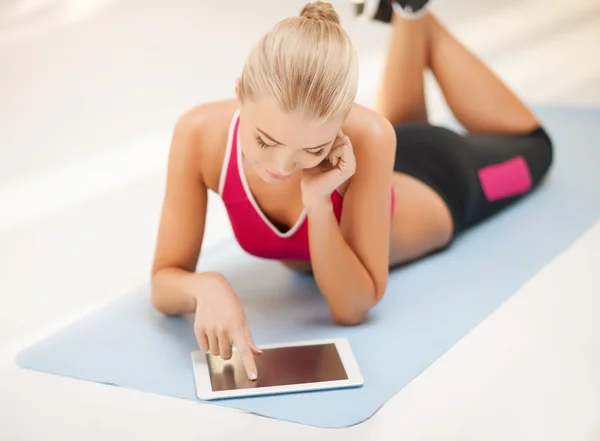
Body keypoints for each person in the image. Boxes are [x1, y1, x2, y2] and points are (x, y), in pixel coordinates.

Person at [150, 0, 553, 380]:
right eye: (265, 141)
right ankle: (411, 15)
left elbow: (351, 307)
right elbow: (164, 281)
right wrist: (205, 286)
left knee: (536, 148)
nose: (281, 166)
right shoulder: (199, 134)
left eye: (312, 150)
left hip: (444, 178)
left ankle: (418, 19)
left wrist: (319, 204)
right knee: (400, 128)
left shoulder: (371, 135)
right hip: (384, 160)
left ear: (344, 121)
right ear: (240, 93)